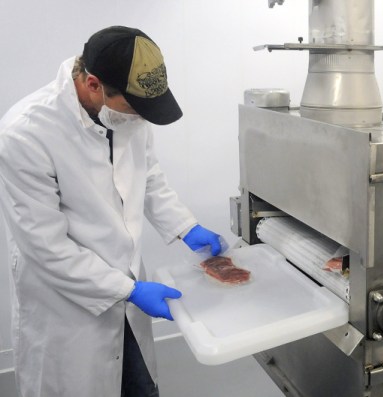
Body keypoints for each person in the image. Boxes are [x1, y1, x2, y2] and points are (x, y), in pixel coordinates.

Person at [0, 26, 224, 397]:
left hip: (127, 298)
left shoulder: (124, 115)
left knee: (138, 386)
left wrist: (186, 227)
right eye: (134, 108)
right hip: (68, 309)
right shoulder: (25, 134)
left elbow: (147, 175)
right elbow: (46, 248)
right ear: (93, 85)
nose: (140, 118)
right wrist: (127, 289)